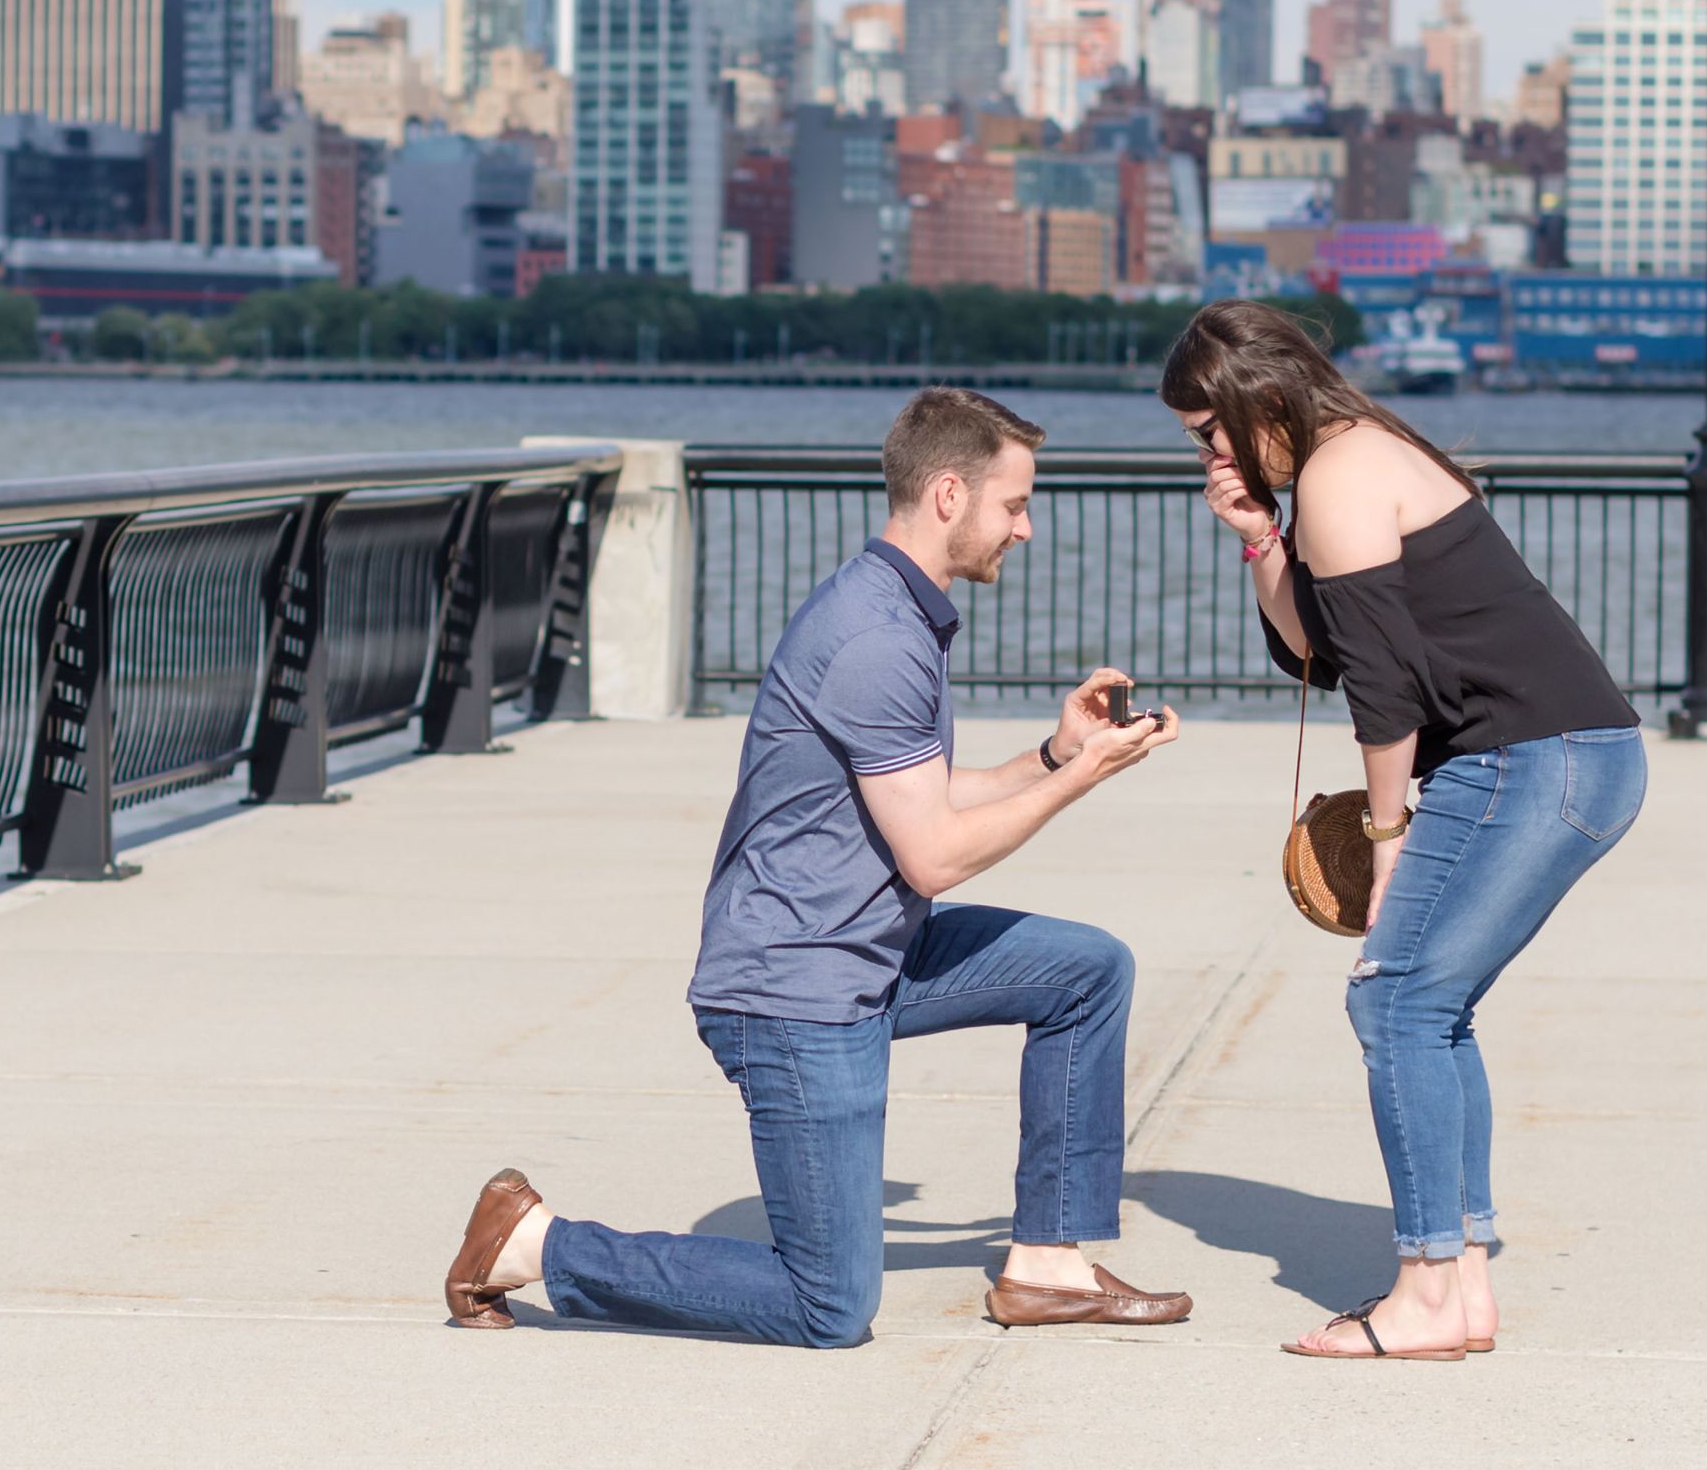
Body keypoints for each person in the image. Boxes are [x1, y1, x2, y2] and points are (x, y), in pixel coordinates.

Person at [439, 386, 1194, 1344]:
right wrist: (1081, 780)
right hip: (793, 989)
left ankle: (1048, 1264)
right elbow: (933, 854)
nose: (1027, 528)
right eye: (1015, 504)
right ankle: (537, 1243)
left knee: (1086, 969)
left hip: (869, 953)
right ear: (951, 495)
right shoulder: (879, 637)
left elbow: (922, 792)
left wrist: (1051, 754)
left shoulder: (893, 611)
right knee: (829, 1303)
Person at [1160, 301, 1646, 1363]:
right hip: (1566, 754)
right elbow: (1321, 653)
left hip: (1528, 758)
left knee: (1394, 1002)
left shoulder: (1341, 474)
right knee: (1434, 1008)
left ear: (1262, 403)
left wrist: (1386, 838)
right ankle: (1459, 1287)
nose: (1202, 453)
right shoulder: (1348, 467)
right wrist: (1257, 540)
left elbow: (1384, 697)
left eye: (1208, 430)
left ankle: (1424, 1288)